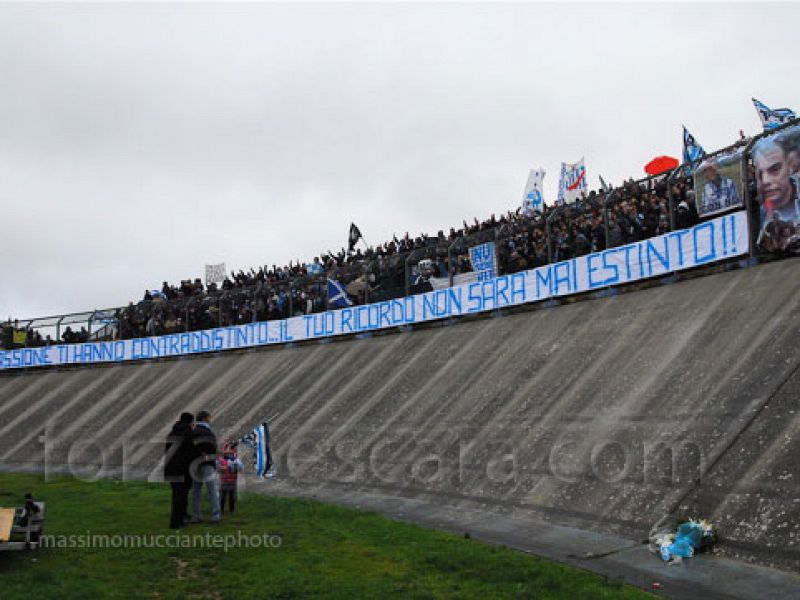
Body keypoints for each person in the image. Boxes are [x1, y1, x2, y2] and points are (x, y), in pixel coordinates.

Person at [164, 412, 195, 529]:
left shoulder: (172, 433)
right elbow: (191, 453)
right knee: (181, 496)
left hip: (171, 469)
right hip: (183, 469)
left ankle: (179, 518)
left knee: (176, 495)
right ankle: (176, 522)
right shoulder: (188, 434)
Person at [191, 410, 221, 523]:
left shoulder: (192, 431)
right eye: (209, 417)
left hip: (194, 464)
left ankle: (196, 515)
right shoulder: (208, 431)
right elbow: (212, 446)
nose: (210, 419)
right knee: (212, 489)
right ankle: (215, 515)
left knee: (196, 491)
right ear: (204, 419)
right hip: (207, 463)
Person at [217, 441, 244, 515]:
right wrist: (224, 467)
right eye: (228, 453)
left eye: (232, 453)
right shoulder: (221, 460)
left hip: (233, 482)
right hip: (224, 482)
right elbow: (218, 468)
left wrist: (236, 464)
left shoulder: (236, 460)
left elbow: (241, 467)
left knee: (232, 498)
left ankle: (232, 510)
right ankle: (220, 509)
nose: (230, 454)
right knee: (222, 497)